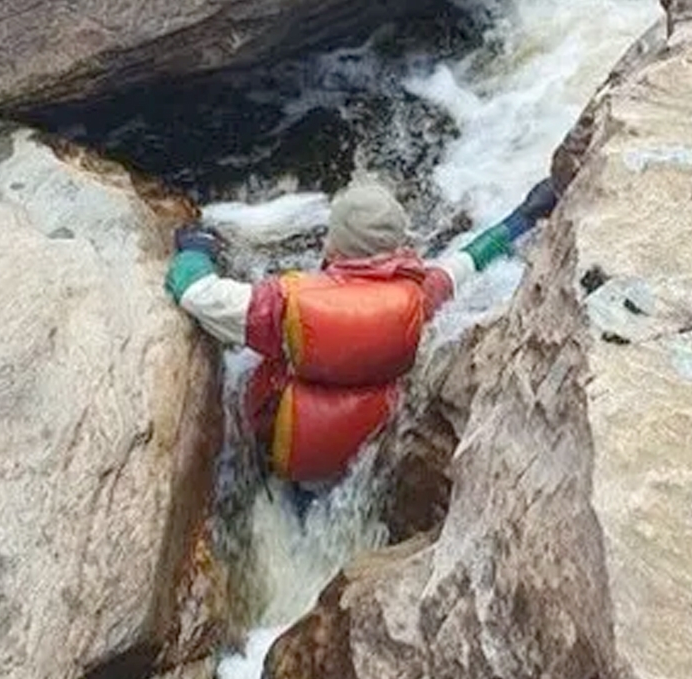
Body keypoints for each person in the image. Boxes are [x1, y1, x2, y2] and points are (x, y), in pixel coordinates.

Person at [164, 176, 557, 487]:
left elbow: (199, 294)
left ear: (334, 245)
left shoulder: (286, 306)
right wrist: (524, 217)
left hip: (287, 448)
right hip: (363, 457)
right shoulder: (419, 296)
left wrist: (195, 250)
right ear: (399, 244)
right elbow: (469, 261)